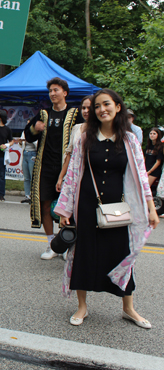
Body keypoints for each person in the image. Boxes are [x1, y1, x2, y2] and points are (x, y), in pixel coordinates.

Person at [55, 89, 158, 328]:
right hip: (87, 205)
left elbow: (142, 176)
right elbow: (72, 175)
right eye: (97, 106)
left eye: (106, 104)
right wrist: (66, 210)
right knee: (83, 253)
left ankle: (128, 308)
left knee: (122, 254)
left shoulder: (130, 139)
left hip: (120, 208)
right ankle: (82, 306)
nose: (102, 109)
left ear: (117, 107)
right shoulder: (84, 138)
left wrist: (151, 208)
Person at [24, 77, 79, 260]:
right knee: (45, 204)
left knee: (67, 207)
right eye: (50, 91)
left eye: (56, 90)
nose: (52, 94)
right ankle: (51, 245)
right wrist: (35, 128)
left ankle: (65, 243)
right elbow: (28, 135)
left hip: (68, 168)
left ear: (65, 92)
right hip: (45, 167)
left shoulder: (75, 113)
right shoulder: (43, 114)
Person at [56, 95, 93, 192]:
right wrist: (61, 177)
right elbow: (69, 154)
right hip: (75, 174)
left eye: (89, 108)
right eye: (83, 108)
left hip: (92, 175)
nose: (85, 111)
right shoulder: (77, 128)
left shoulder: (101, 129)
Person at [19, 118, 37, 204]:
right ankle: (27, 195)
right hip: (25, 153)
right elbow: (21, 143)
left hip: (32, 154)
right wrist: (20, 142)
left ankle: (33, 196)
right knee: (26, 177)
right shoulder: (24, 132)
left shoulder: (36, 133)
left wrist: (30, 139)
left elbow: (37, 144)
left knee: (32, 176)